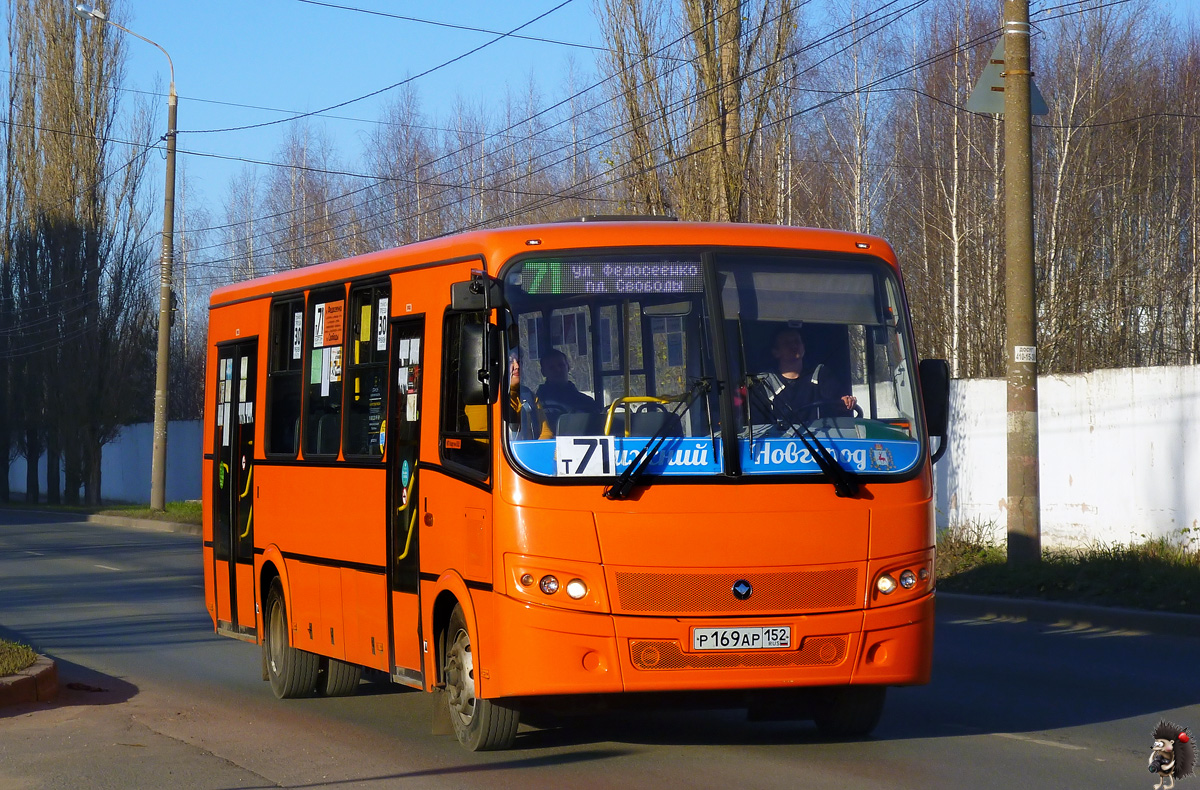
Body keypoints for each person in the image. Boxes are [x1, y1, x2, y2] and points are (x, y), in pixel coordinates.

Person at [750, 326, 857, 429]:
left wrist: (845, 402)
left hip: (819, 443)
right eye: (787, 343)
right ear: (776, 352)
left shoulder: (820, 374)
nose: (794, 345)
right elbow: (759, 428)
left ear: (803, 347)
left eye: (797, 341)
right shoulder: (764, 383)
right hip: (780, 445)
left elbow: (836, 404)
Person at [535, 348, 600, 436]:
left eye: (561, 365)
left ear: (568, 367)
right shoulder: (536, 405)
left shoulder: (587, 403)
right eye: (552, 367)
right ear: (543, 372)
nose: (558, 370)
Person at [506, 350, 543, 439]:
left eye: (519, 361)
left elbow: (545, 433)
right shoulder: (483, 400)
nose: (517, 366)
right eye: (510, 361)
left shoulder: (530, 397)